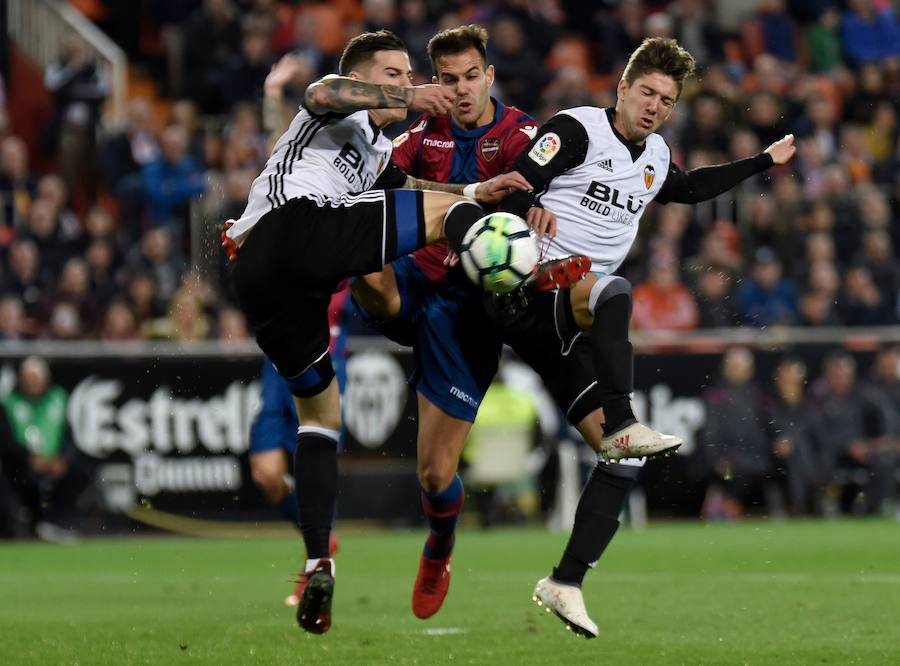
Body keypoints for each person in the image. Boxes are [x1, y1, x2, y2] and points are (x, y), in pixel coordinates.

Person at [471, 37, 796, 636]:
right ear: (621, 88)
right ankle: (625, 418)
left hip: (569, 327)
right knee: (613, 292)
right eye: (646, 91)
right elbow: (520, 178)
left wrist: (762, 163)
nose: (654, 106)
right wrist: (534, 201)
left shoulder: (654, 157)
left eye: (666, 100)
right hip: (533, 293)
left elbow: (689, 188)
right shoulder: (578, 129)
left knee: (618, 462)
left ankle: (565, 581)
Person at [223, 30, 536, 635]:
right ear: (366, 76)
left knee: (320, 416)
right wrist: (412, 99)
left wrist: (474, 192)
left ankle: (318, 562)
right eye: (392, 75)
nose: (403, 83)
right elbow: (322, 89)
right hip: (296, 228)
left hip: (272, 287)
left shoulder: (373, 151)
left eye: (406, 75)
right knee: (445, 229)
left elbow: (411, 196)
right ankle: (512, 288)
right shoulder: (329, 112)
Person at [350, 25, 650, 629]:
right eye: (449, 80)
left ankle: (440, 543)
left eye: (470, 77)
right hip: (415, 284)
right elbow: (373, 184)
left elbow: (553, 180)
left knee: (435, 473)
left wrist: (541, 207)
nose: (461, 91)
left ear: (489, 76)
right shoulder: (414, 136)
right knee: (360, 248)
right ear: (436, 84)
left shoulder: (522, 136)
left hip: (469, 311)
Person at [0, 356, 92, 541]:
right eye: (28, 378)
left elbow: (69, 437)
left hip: (54, 461)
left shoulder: (58, 398)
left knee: (80, 473)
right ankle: (21, 524)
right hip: (22, 465)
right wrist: (30, 458)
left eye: (36, 378)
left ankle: (60, 521)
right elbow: (7, 441)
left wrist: (63, 459)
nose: (33, 383)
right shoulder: (9, 403)